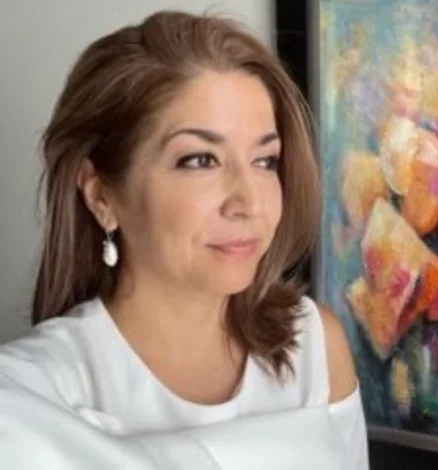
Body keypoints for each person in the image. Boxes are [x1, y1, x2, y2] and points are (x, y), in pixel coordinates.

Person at [0, 10, 368, 469]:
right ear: (101, 195)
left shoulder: (313, 345)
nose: (249, 202)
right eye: (200, 160)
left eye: (265, 161)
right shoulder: (32, 393)